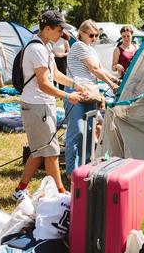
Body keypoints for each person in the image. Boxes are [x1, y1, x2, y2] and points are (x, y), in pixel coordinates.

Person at [14, 10, 88, 201]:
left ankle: (20, 189)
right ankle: (62, 193)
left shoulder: (45, 46)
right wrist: (67, 95)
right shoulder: (37, 49)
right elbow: (44, 83)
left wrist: (75, 84)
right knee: (52, 152)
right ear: (47, 29)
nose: (61, 34)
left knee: (40, 151)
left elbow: (54, 75)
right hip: (37, 105)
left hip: (43, 105)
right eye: (59, 30)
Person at [64, 20, 121, 175]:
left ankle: (85, 167)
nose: (94, 38)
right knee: (76, 133)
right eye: (91, 35)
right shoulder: (78, 46)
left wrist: (115, 80)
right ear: (81, 33)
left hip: (90, 93)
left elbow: (101, 68)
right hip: (77, 92)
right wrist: (111, 84)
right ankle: (71, 171)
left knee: (90, 132)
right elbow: (94, 69)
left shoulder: (91, 49)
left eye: (97, 35)